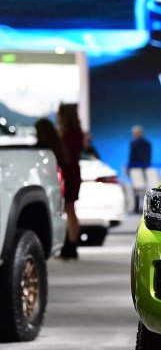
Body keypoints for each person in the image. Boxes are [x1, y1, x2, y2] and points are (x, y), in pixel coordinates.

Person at [57, 104, 84, 260]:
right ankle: (71, 244)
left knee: (70, 209)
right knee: (70, 209)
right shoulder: (75, 131)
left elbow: (67, 154)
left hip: (70, 173)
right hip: (72, 172)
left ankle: (71, 245)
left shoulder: (70, 132)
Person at [128, 125, 152, 213]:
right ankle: (144, 207)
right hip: (144, 168)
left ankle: (136, 208)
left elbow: (132, 157)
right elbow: (149, 157)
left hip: (135, 169)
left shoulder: (134, 143)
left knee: (136, 189)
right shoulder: (148, 143)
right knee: (144, 188)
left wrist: (129, 168)